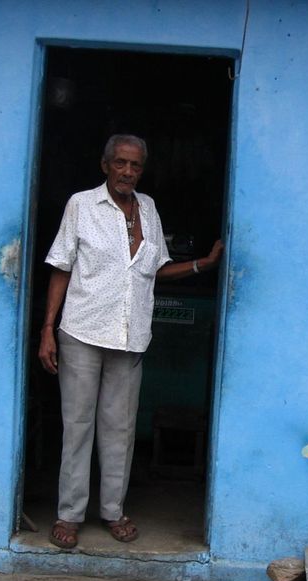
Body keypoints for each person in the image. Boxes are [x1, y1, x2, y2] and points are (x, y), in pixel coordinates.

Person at [38, 134, 223, 549]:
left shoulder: (149, 208)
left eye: (135, 165)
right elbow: (61, 267)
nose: (127, 171)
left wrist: (200, 265)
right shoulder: (81, 205)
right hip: (82, 331)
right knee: (78, 426)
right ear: (105, 165)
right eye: (120, 163)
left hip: (130, 335)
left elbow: (154, 269)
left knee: (119, 429)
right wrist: (47, 328)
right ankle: (68, 514)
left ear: (142, 170)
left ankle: (112, 511)